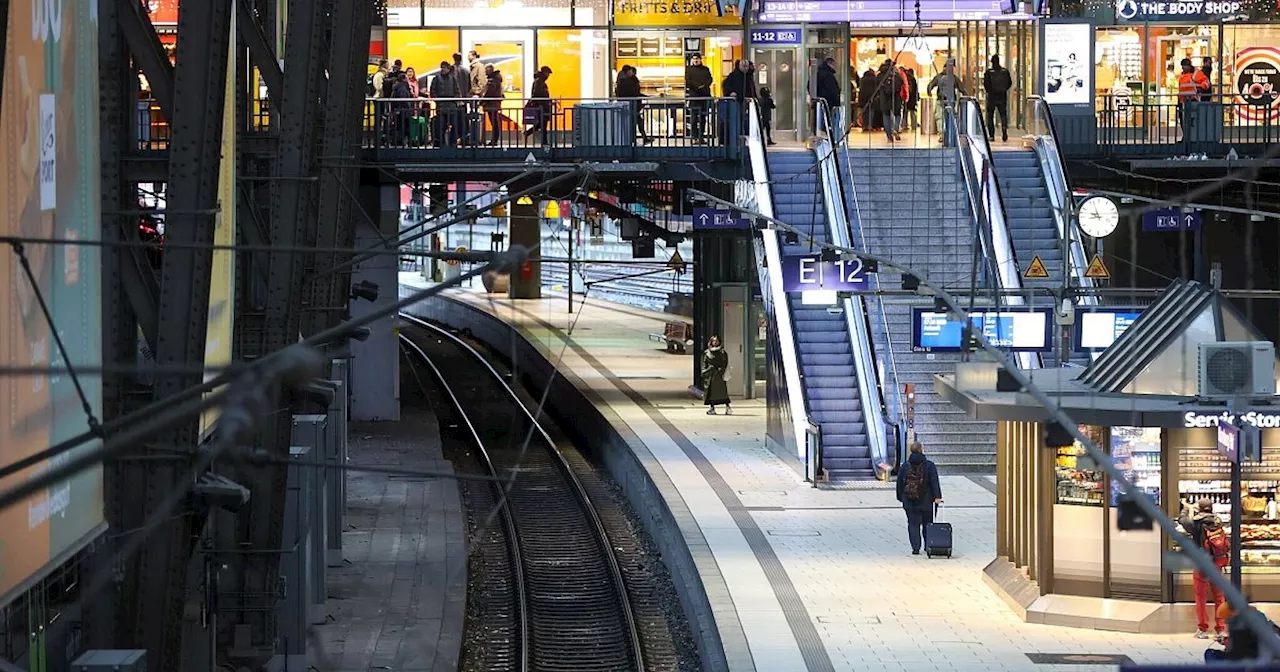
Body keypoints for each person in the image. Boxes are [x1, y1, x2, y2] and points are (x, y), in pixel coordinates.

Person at [1181, 497, 1227, 641]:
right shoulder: (1218, 521)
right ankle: (1221, 630)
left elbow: (1182, 521)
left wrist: (1186, 508)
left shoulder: (1195, 523)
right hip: (1217, 564)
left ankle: (1202, 629)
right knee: (1219, 597)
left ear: (1199, 509)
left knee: (1201, 598)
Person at [896, 442, 942, 555]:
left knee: (913, 524)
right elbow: (934, 482)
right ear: (921, 450)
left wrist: (901, 497)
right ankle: (927, 545)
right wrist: (937, 497)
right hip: (927, 501)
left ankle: (915, 548)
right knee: (928, 523)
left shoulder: (905, 466)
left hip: (909, 501)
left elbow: (900, 483)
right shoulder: (929, 465)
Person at [1205, 601, 1280, 662]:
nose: (1226, 623)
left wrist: (1227, 643)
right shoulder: (1260, 618)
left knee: (1210, 654)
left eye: (1227, 620)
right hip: (1263, 656)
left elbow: (1238, 651)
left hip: (1248, 660)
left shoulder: (1242, 626)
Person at [928, 58, 966, 146]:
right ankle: (951, 133)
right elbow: (961, 88)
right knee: (951, 117)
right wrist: (965, 94)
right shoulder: (954, 77)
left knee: (940, 117)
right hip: (951, 100)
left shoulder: (939, 76)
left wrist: (929, 91)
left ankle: (942, 134)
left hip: (940, 99)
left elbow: (931, 85)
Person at [614, 65, 651, 145]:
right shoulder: (628, 81)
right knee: (635, 122)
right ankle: (635, 140)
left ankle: (637, 139)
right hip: (632, 105)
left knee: (635, 122)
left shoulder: (622, 81)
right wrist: (642, 97)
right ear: (628, 71)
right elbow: (634, 93)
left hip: (628, 105)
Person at [983, 55, 1013, 142]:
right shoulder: (1005, 71)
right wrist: (1003, 90)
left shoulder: (989, 72)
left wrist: (990, 91)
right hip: (1002, 96)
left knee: (990, 116)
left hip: (992, 96)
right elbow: (1009, 83)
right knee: (1003, 114)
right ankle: (1004, 130)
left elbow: (986, 84)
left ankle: (991, 135)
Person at [685, 53, 714, 142]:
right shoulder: (689, 70)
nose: (695, 60)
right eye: (694, 59)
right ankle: (694, 137)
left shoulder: (706, 69)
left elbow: (710, 79)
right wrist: (698, 87)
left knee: (702, 118)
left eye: (697, 59)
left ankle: (701, 137)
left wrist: (703, 86)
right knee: (693, 118)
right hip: (694, 97)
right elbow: (688, 82)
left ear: (700, 59)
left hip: (703, 96)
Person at [429, 61, 458, 147]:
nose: (443, 69)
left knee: (453, 125)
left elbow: (457, 90)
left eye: (445, 67)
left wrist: (455, 100)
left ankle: (452, 142)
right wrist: (437, 100)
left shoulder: (452, 79)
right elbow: (432, 91)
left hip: (451, 105)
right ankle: (441, 142)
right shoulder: (437, 78)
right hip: (441, 105)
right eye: (442, 67)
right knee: (440, 125)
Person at [1177, 58, 1209, 133]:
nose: (1183, 68)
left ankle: (1191, 136)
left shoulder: (1196, 74)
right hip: (1183, 101)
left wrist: (1200, 87)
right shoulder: (1182, 75)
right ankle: (1186, 136)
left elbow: (1206, 82)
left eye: (1184, 66)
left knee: (1192, 121)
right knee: (1184, 121)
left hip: (1193, 100)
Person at [701, 336, 732, 415]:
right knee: (711, 393)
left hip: (718, 375)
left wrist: (721, 371)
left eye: (716, 341)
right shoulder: (707, 352)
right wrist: (705, 370)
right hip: (711, 375)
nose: (715, 342)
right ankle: (712, 408)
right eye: (713, 341)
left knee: (723, 392)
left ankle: (728, 407)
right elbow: (705, 363)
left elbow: (724, 363)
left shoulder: (722, 352)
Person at [524, 66, 553, 145]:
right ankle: (543, 142)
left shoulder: (540, 81)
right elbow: (537, 94)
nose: (548, 76)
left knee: (542, 124)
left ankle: (543, 141)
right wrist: (542, 102)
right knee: (542, 124)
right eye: (548, 74)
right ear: (544, 73)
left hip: (542, 105)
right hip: (541, 106)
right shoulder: (539, 81)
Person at [876, 60, 903, 143]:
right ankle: (895, 128)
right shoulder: (896, 75)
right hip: (896, 98)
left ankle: (889, 136)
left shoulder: (880, 76)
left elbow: (876, 86)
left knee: (886, 116)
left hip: (884, 99)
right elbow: (901, 84)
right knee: (897, 114)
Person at [813, 56, 841, 134]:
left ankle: (819, 135)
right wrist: (836, 100)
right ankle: (826, 137)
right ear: (830, 64)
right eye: (834, 64)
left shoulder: (818, 73)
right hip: (828, 102)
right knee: (826, 121)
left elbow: (810, 85)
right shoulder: (828, 75)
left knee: (819, 120)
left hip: (819, 102)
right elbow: (832, 90)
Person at [480, 65, 504, 146]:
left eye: (486, 70)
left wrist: (482, 101)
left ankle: (494, 140)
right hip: (494, 103)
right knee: (494, 122)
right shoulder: (496, 79)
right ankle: (494, 140)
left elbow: (489, 92)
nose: (485, 72)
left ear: (490, 70)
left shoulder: (493, 80)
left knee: (494, 122)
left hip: (491, 104)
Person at [904, 67, 920, 131]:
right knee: (913, 113)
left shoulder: (905, 79)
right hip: (912, 99)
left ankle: (904, 125)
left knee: (905, 113)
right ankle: (914, 125)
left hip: (906, 98)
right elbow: (916, 90)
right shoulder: (913, 79)